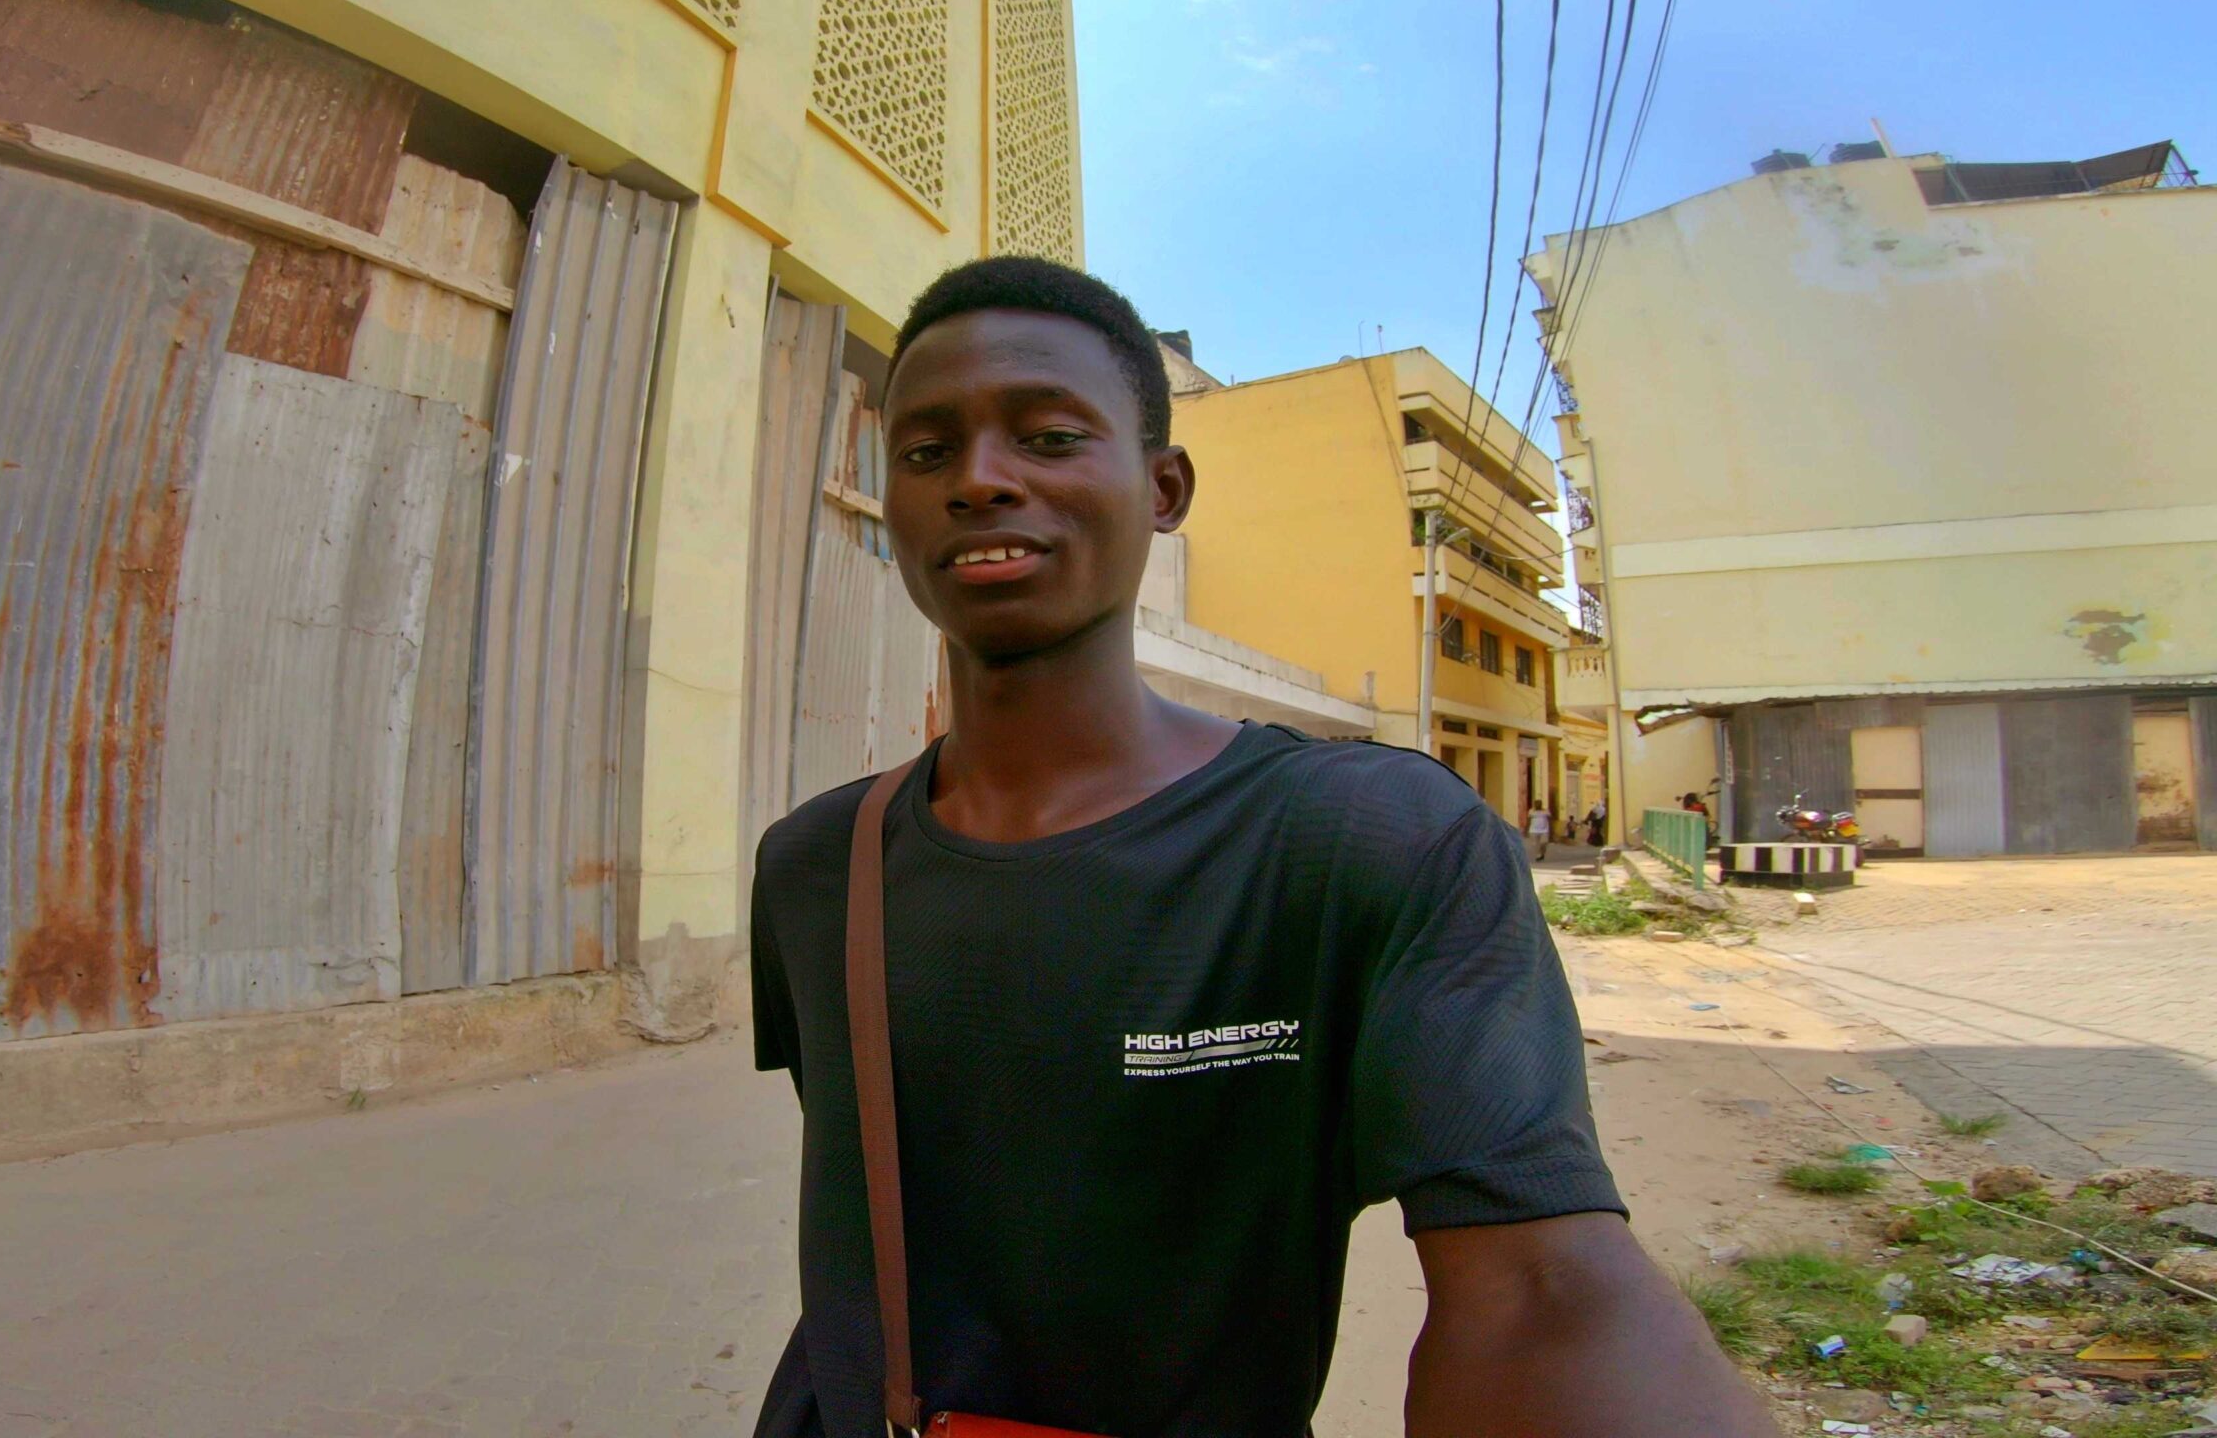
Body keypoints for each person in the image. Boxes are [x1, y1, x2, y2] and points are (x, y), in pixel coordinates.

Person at [747, 256, 1771, 1438]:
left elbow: (1542, 1288)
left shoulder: (1369, 846)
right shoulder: (815, 866)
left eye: (1048, 437)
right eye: (927, 453)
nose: (979, 480)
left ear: (1164, 487)